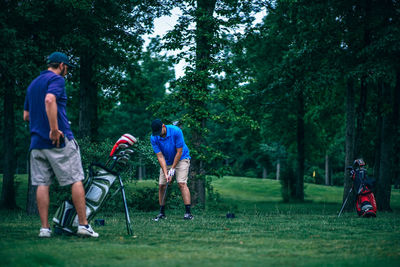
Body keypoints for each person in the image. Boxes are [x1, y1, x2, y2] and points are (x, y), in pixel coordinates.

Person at [23, 52, 98, 238]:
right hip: (58, 141)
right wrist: (54, 129)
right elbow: (50, 99)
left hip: (37, 143)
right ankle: (83, 225)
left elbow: (26, 116)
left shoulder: (33, 84)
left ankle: (44, 229)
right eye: (67, 68)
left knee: (42, 184)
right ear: (62, 65)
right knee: (75, 179)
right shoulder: (56, 80)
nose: (67, 72)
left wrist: (41, 125)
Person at [150, 119, 193, 220]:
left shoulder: (176, 131)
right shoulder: (154, 137)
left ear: (163, 126)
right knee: (162, 185)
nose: (158, 135)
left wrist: (173, 169)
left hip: (182, 158)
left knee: (181, 183)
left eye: (159, 132)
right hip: (167, 160)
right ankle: (162, 213)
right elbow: (160, 156)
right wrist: (166, 173)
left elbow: (179, 152)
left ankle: (188, 213)